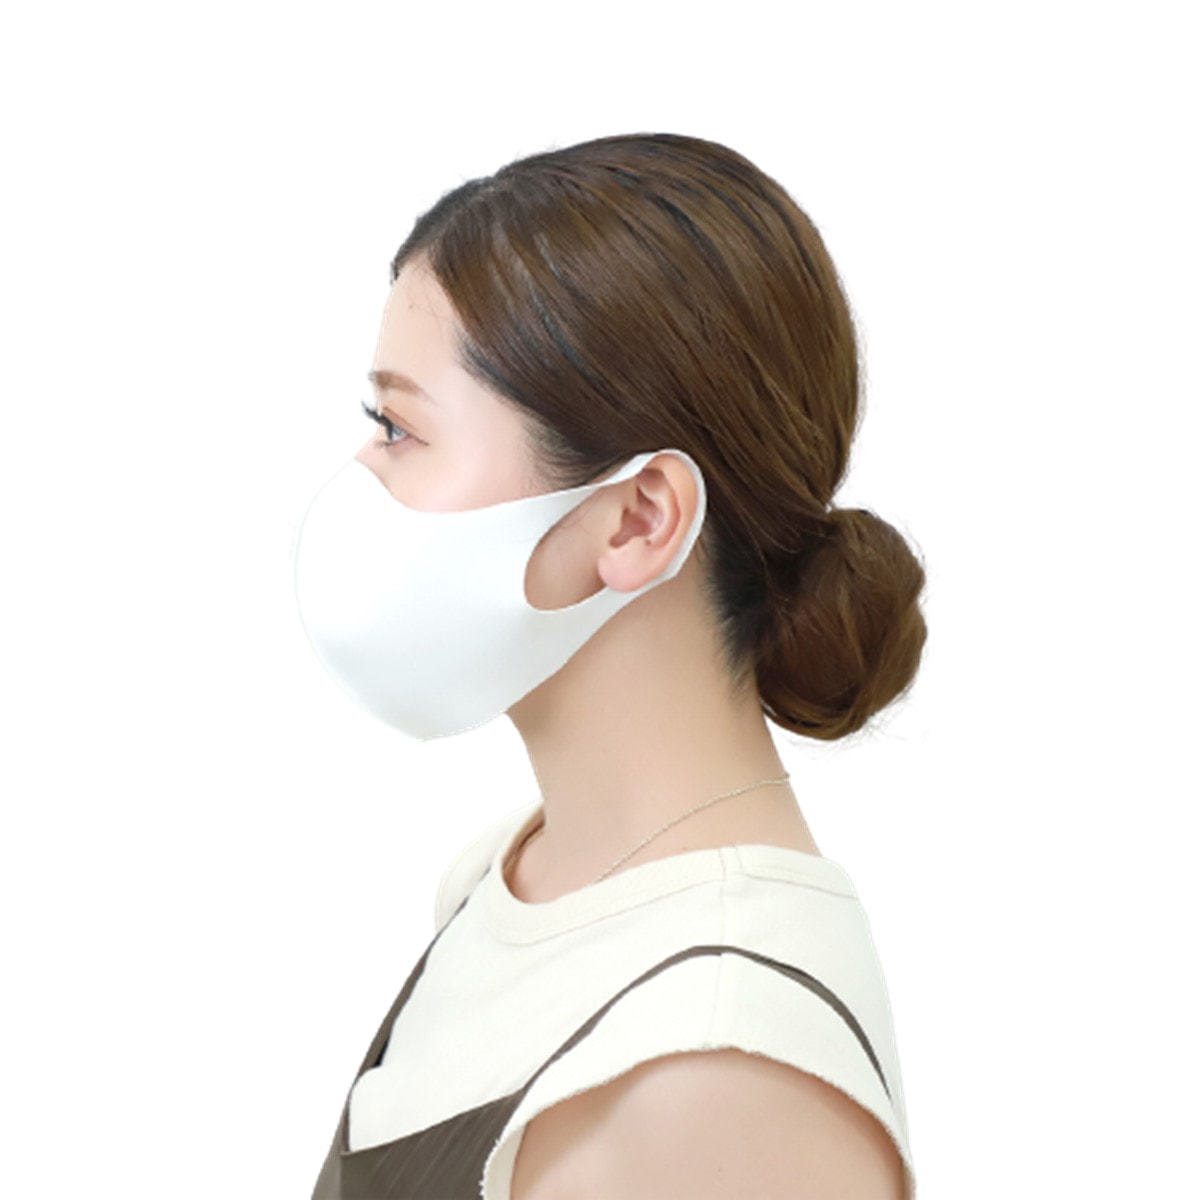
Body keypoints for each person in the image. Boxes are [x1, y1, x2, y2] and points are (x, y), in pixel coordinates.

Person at [293, 131, 926, 1200]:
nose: (360, 477)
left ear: (637, 518)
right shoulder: (516, 879)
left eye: (399, 428)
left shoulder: (718, 1071)